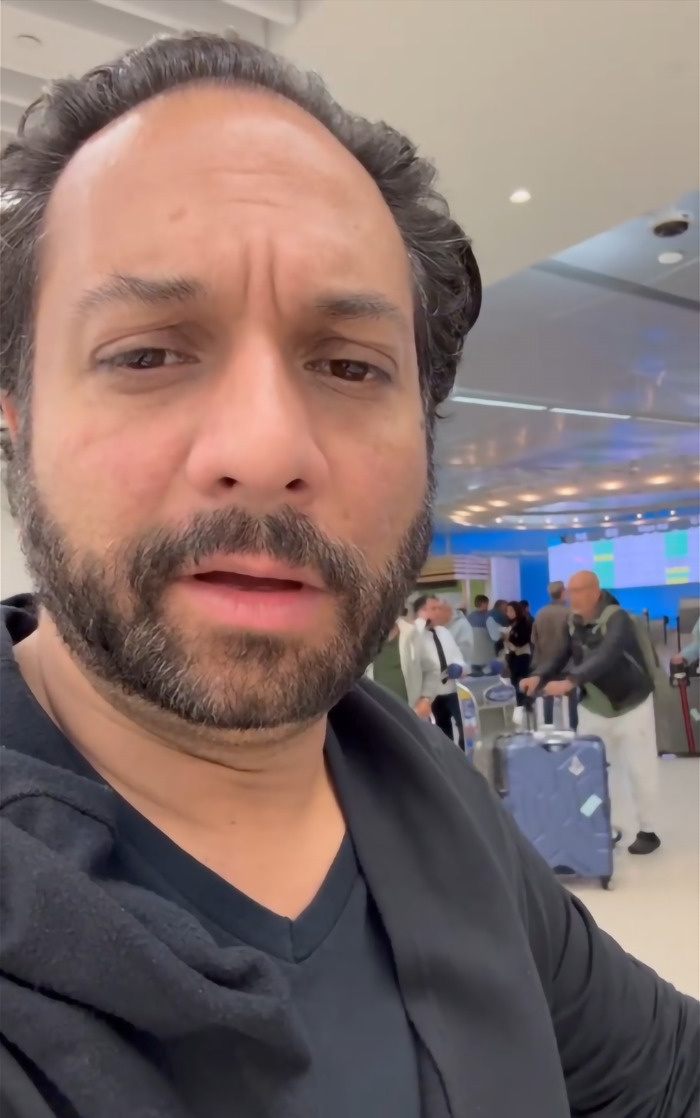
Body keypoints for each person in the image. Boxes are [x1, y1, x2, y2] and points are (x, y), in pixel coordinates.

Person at [0, 32, 697, 1118]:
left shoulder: (421, 793)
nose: (269, 445)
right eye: (148, 351)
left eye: (346, 365)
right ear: (16, 418)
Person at [522, 571, 661, 856]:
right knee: (591, 771)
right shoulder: (573, 622)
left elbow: (606, 656)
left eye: (580, 590)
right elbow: (560, 654)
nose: (573, 597)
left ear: (596, 591)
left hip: (631, 705)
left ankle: (648, 829)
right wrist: (539, 675)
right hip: (593, 708)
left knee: (639, 769)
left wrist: (571, 681)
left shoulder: (617, 618)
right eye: (570, 591)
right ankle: (603, 826)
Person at [412, 595, 466, 746]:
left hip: (451, 690)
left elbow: (458, 657)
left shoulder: (444, 632)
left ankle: (460, 761)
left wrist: (458, 666)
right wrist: (421, 622)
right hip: (429, 695)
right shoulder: (414, 634)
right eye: (433, 609)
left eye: (439, 608)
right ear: (421, 611)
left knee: (463, 729)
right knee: (439, 734)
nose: (438, 612)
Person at [367, 614, 441, 718]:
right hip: (377, 715)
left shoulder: (412, 635)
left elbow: (432, 670)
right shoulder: (365, 642)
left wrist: (425, 699)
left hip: (410, 715)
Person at [532, 581, 578, 728]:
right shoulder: (570, 613)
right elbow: (576, 639)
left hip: (546, 663)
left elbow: (534, 639)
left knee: (548, 696)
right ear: (563, 593)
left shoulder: (540, 614)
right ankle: (573, 728)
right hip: (567, 664)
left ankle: (548, 727)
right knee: (571, 695)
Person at [503, 601, 533, 707]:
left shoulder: (524, 623)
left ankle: (525, 702)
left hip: (522, 656)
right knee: (514, 681)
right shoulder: (511, 624)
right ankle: (519, 703)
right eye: (507, 611)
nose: (508, 613)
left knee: (522, 681)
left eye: (511, 610)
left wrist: (509, 638)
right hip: (512, 656)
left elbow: (522, 641)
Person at [467, 594, 504, 670]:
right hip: (486, 657)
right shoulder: (488, 618)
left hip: (473, 658)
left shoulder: (468, 618)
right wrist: (503, 635)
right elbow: (495, 637)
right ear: (484, 603)